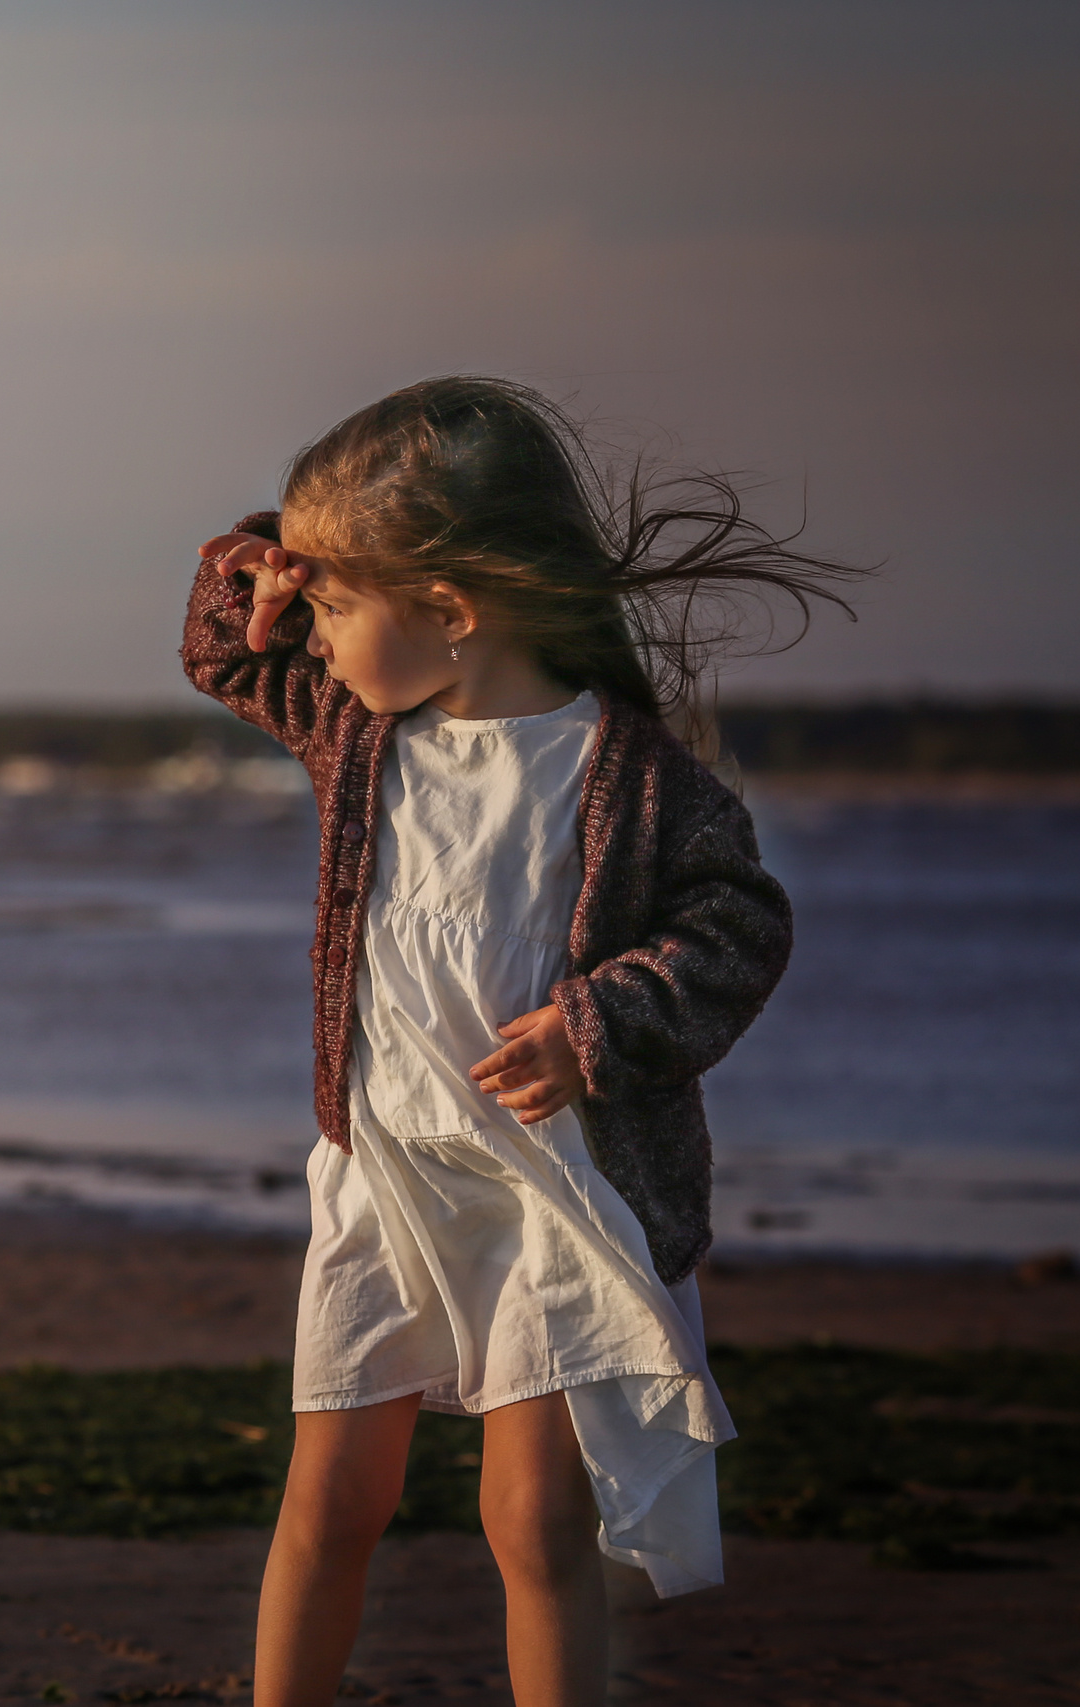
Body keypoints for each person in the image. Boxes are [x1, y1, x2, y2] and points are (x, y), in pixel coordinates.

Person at [182, 377, 863, 1707]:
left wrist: (597, 1025)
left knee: (534, 1523)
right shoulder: (356, 731)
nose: (307, 640)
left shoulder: (636, 775)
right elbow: (224, 653)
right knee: (330, 1502)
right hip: (385, 1182)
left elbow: (740, 929)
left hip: (554, 1190)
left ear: (447, 609)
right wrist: (262, 565)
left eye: (331, 605)